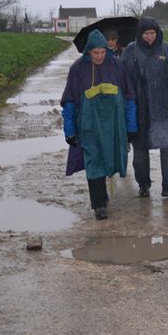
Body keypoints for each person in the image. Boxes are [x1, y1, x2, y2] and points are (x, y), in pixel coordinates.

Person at [60, 30, 137, 220]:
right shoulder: (77, 69)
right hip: (88, 126)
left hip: (113, 126)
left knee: (109, 159)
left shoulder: (117, 66)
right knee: (93, 161)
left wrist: (131, 126)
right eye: (95, 53)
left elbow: (129, 98)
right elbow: (69, 101)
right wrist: (69, 130)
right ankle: (99, 205)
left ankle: (105, 195)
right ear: (88, 52)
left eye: (102, 52)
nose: (100, 56)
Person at [121, 17, 168, 198]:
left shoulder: (166, 49)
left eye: (153, 33)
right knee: (140, 153)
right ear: (140, 34)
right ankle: (143, 184)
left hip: (164, 109)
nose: (150, 37)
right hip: (139, 111)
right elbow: (121, 79)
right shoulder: (131, 51)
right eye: (146, 34)